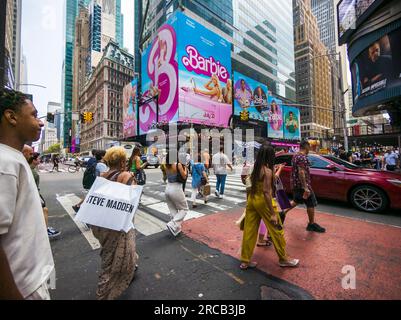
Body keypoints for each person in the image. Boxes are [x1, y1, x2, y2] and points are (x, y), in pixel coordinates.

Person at [0, 88, 54, 299]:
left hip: (29, 281)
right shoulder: (4, 162)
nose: (40, 122)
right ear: (11, 117)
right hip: (22, 288)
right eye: (33, 115)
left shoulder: (13, 158)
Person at [240, 144, 299, 269]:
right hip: (263, 202)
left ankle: (245, 260)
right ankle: (284, 258)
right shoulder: (267, 171)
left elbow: (248, 185)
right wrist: (273, 213)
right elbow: (267, 192)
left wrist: (247, 202)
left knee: (249, 231)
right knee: (277, 229)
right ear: (270, 156)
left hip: (251, 200)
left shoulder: (254, 168)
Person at [91, 146, 138, 300]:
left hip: (101, 223)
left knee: (109, 255)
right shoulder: (126, 176)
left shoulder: (103, 175)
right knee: (113, 265)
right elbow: (134, 199)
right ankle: (103, 294)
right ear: (123, 161)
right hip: (118, 224)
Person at [23, 146, 61, 240]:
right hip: (32, 196)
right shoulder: (32, 172)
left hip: (32, 196)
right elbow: (32, 188)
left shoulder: (29, 169)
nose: (39, 159)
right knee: (44, 210)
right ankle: (44, 231)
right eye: (31, 154)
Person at [291, 140, 326, 233]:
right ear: (306, 146)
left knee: (296, 201)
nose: (310, 148)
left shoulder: (295, 155)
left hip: (296, 184)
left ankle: (281, 214)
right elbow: (301, 172)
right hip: (303, 185)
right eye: (309, 146)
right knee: (311, 203)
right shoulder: (302, 157)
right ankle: (311, 224)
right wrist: (305, 187)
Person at [165, 152, 189, 237]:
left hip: (167, 188)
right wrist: (185, 167)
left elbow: (165, 177)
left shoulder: (166, 166)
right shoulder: (178, 165)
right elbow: (184, 176)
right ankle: (173, 224)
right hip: (176, 188)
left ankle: (176, 228)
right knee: (184, 209)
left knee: (173, 209)